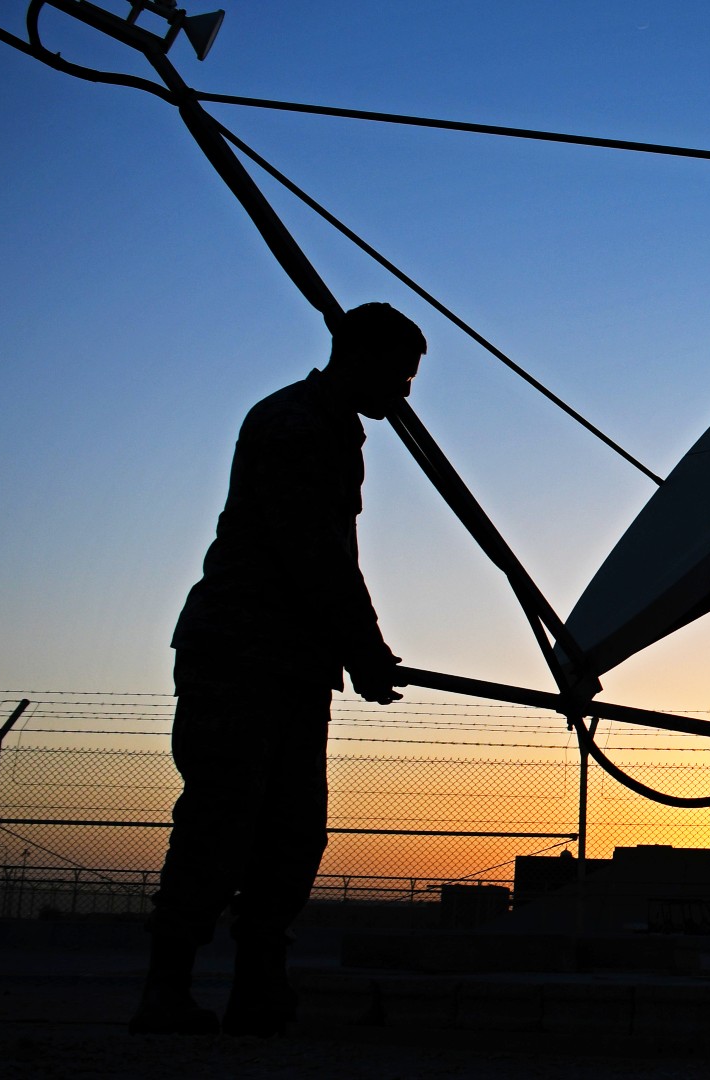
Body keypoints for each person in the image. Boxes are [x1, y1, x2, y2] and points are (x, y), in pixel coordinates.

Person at [131, 303, 423, 1035]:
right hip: (240, 653)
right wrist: (363, 645)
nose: (406, 394)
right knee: (222, 820)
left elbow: (329, 557)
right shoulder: (293, 426)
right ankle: (166, 989)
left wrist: (354, 648)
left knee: (292, 830)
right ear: (358, 359)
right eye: (400, 374)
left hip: (294, 660)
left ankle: (258, 987)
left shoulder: (336, 429)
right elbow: (312, 552)